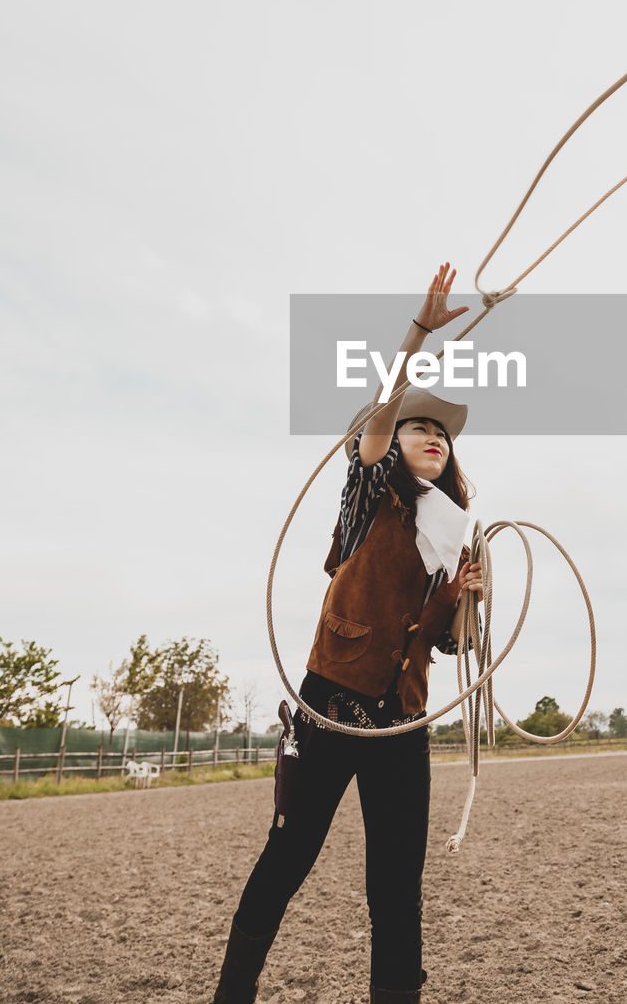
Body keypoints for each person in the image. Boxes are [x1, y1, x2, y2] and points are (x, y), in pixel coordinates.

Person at [213, 263, 484, 1004]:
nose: (431, 436)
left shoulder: (457, 536)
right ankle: (231, 994)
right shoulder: (368, 496)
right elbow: (376, 413)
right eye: (418, 427)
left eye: (441, 433)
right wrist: (420, 332)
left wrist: (461, 602)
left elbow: (450, 647)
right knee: (288, 855)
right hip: (332, 700)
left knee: (395, 885)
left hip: (403, 718)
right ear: (393, 445)